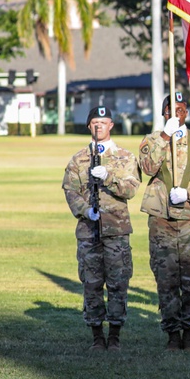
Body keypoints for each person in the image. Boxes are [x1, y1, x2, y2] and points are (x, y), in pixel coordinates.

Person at [137, 92, 190, 350]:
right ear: (164, 112)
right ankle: (172, 332)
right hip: (161, 218)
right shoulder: (151, 140)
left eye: (181, 109)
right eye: (171, 109)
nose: (176, 113)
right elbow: (148, 168)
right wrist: (164, 137)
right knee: (166, 277)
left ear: (187, 113)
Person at [62, 106, 140, 351]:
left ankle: (115, 335)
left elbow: (131, 189)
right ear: (89, 126)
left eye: (103, 122)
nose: (99, 126)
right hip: (89, 230)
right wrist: (86, 210)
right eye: (95, 122)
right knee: (91, 283)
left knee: (118, 283)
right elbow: (70, 190)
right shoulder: (78, 159)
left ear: (111, 126)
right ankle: (97, 336)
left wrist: (107, 176)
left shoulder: (125, 157)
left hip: (116, 230)